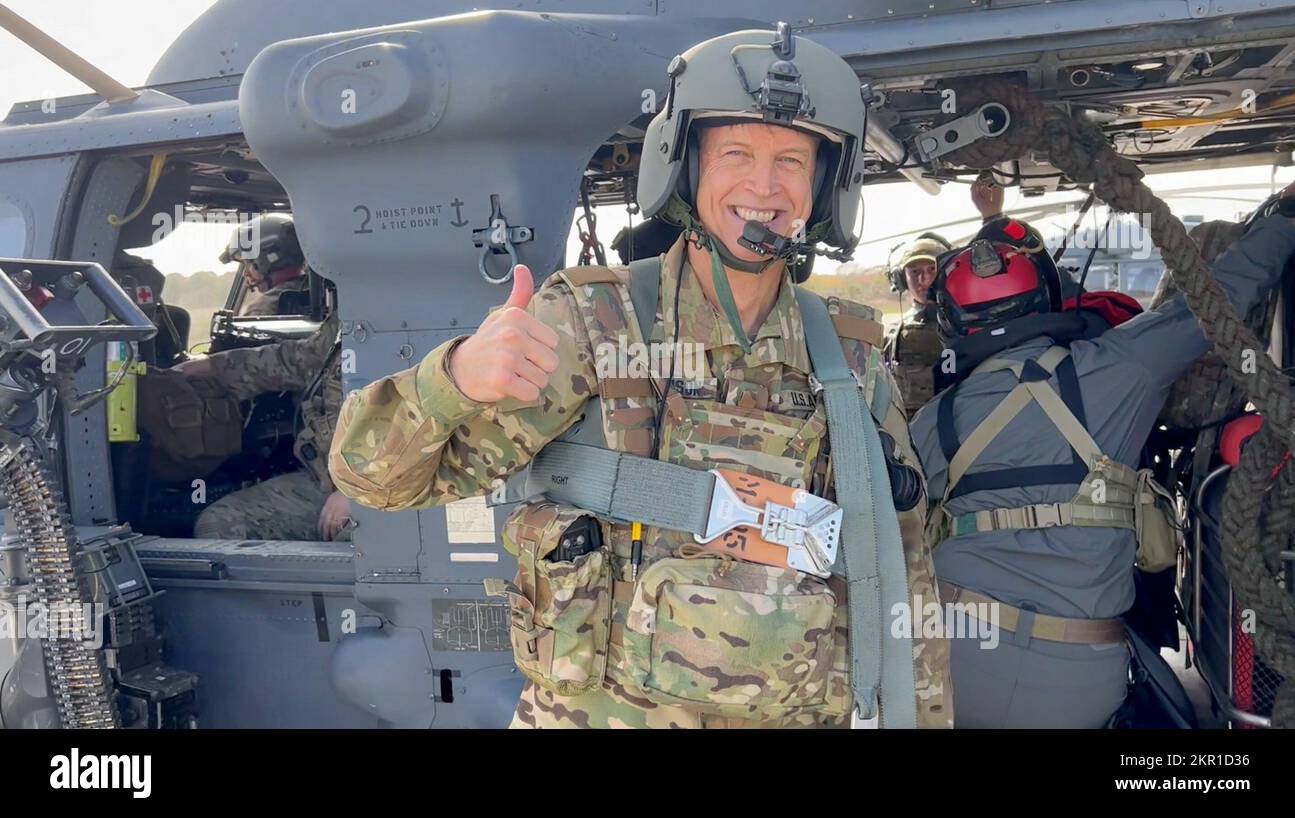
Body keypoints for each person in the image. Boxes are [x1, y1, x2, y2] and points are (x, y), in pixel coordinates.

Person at [330, 26, 952, 729]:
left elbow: (903, 568)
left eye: (791, 161)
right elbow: (374, 478)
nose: (764, 185)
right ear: (683, 169)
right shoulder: (595, 322)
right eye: (736, 155)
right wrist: (455, 381)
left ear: (824, 187)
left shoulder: (847, 352)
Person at [909, 181, 1295, 728]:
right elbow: (1222, 294)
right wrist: (1286, 218)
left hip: (950, 665)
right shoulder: (1118, 368)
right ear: (1048, 293)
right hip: (1077, 678)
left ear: (953, 324)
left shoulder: (931, 423)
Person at [179, 312, 350, 541]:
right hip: (328, 480)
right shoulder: (352, 314)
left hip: (387, 492)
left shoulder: (406, 325)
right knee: (220, 525)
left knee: (360, 547)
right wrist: (212, 368)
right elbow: (300, 360)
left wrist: (358, 492)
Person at [884, 176, 1005, 417]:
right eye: (914, 272)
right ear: (901, 280)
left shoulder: (969, 322)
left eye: (931, 270)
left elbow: (997, 273)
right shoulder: (892, 334)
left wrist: (993, 217)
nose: (923, 280)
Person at [220, 213, 310, 316]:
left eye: (248, 264)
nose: (245, 273)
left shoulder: (263, 309)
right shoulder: (322, 292)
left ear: (267, 259)